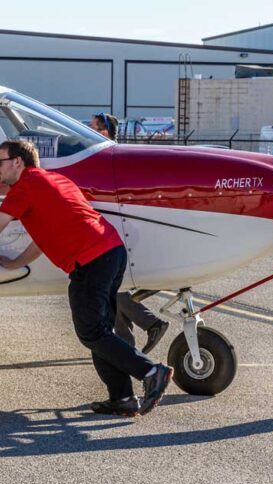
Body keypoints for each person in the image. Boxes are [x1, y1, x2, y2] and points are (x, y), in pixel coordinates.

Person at [0, 139, 173, 416]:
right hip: (111, 253)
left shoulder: (25, 185)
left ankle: (151, 371)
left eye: (0, 162)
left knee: (92, 332)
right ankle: (121, 397)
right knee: (101, 332)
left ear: (18, 162)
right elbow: (44, 238)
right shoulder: (55, 181)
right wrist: (16, 262)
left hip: (91, 261)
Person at [90, 112, 170, 354]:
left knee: (113, 289)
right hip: (115, 229)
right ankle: (126, 347)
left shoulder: (105, 157)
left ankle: (152, 323)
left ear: (104, 131)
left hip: (117, 231)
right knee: (115, 291)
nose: (89, 129)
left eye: (93, 126)